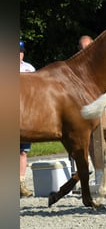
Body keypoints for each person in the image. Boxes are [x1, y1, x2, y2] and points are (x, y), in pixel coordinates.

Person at [78, 35, 106, 184]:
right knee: (89, 144)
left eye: (87, 47)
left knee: (104, 143)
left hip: (102, 108)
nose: (85, 51)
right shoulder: (78, 66)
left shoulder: (104, 62)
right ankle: (99, 175)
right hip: (86, 108)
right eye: (82, 49)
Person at [20, 40, 35, 197]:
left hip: (25, 114)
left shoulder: (29, 69)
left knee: (23, 151)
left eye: (21, 51)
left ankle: (21, 183)